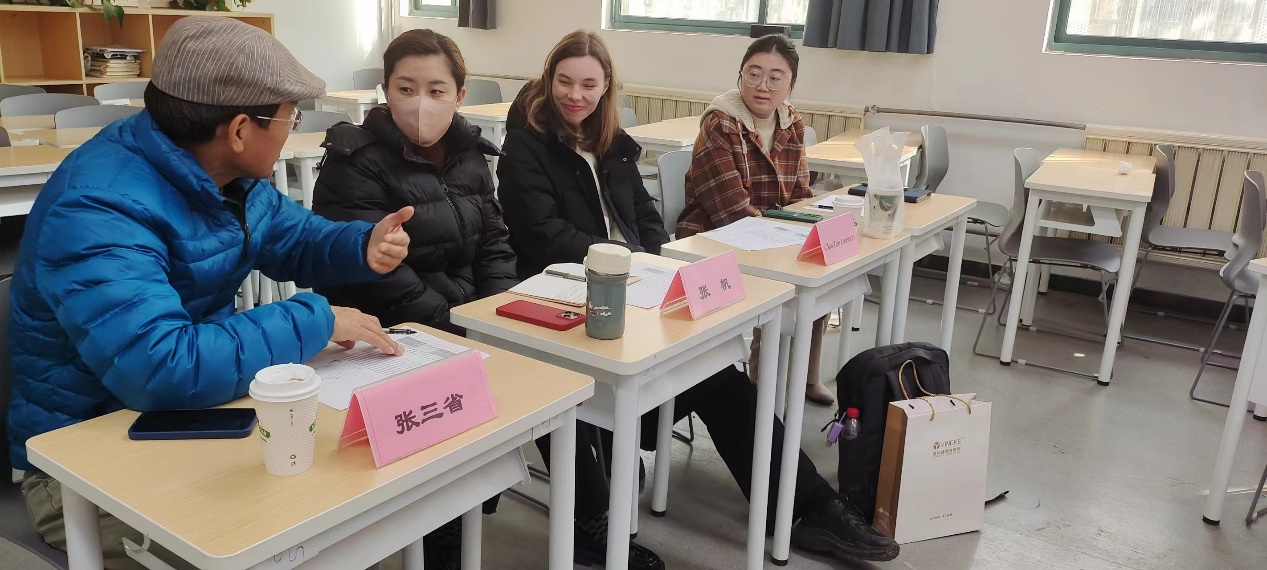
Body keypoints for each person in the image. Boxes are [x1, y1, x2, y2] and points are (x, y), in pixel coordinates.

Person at [6, 18, 412, 570]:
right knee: (274, 535)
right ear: (240, 130)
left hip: (194, 414)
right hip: (82, 464)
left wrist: (362, 244)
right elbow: (161, 366)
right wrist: (313, 319)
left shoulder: (225, 175)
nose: (292, 130)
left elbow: (292, 236)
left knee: (344, 497)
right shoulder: (99, 207)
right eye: (290, 117)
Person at [499, 30, 900, 565]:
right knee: (666, 389)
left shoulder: (611, 141)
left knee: (722, 382)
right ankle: (596, 522)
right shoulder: (526, 146)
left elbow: (645, 216)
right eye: (565, 82)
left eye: (589, 85)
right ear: (549, 81)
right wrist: (631, 265)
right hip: (570, 299)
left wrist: (656, 264)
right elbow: (542, 234)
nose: (576, 95)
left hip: (637, 291)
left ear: (606, 86)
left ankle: (810, 509)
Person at [311, 29, 516, 569]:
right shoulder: (354, 160)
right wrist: (457, 328)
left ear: (459, 95)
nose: (420, 103)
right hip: (391, 334)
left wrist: (493, 318)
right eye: (405, 88)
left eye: (436, 90)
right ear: (385, 90)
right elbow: (381, 280)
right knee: (446, 456)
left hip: (465, 324)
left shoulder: (470, 155)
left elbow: (495, 242)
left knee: (534, 388)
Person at [675, 35, 836, 407]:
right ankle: (760, 394)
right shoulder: (719, 123)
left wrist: (803, 228)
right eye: (754, 74)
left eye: (775, 78)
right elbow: (730, 211)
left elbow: (800, 192)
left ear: (791, 85)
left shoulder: (791, 122)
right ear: (740, 75)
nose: (763, 86)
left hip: (771, 234)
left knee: (821, 274)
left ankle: (806, 376)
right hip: (715, 238)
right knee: (787, 283)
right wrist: (785, 238)